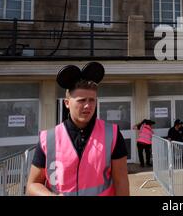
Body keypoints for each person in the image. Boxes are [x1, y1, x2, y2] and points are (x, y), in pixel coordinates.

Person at [26, 62, 130, 196]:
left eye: (92, 100)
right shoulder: (48, 138)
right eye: (82, 100)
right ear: (67, 103)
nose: (88, 106)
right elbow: (33, 184)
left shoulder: (112, 134)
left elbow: (121, 181)